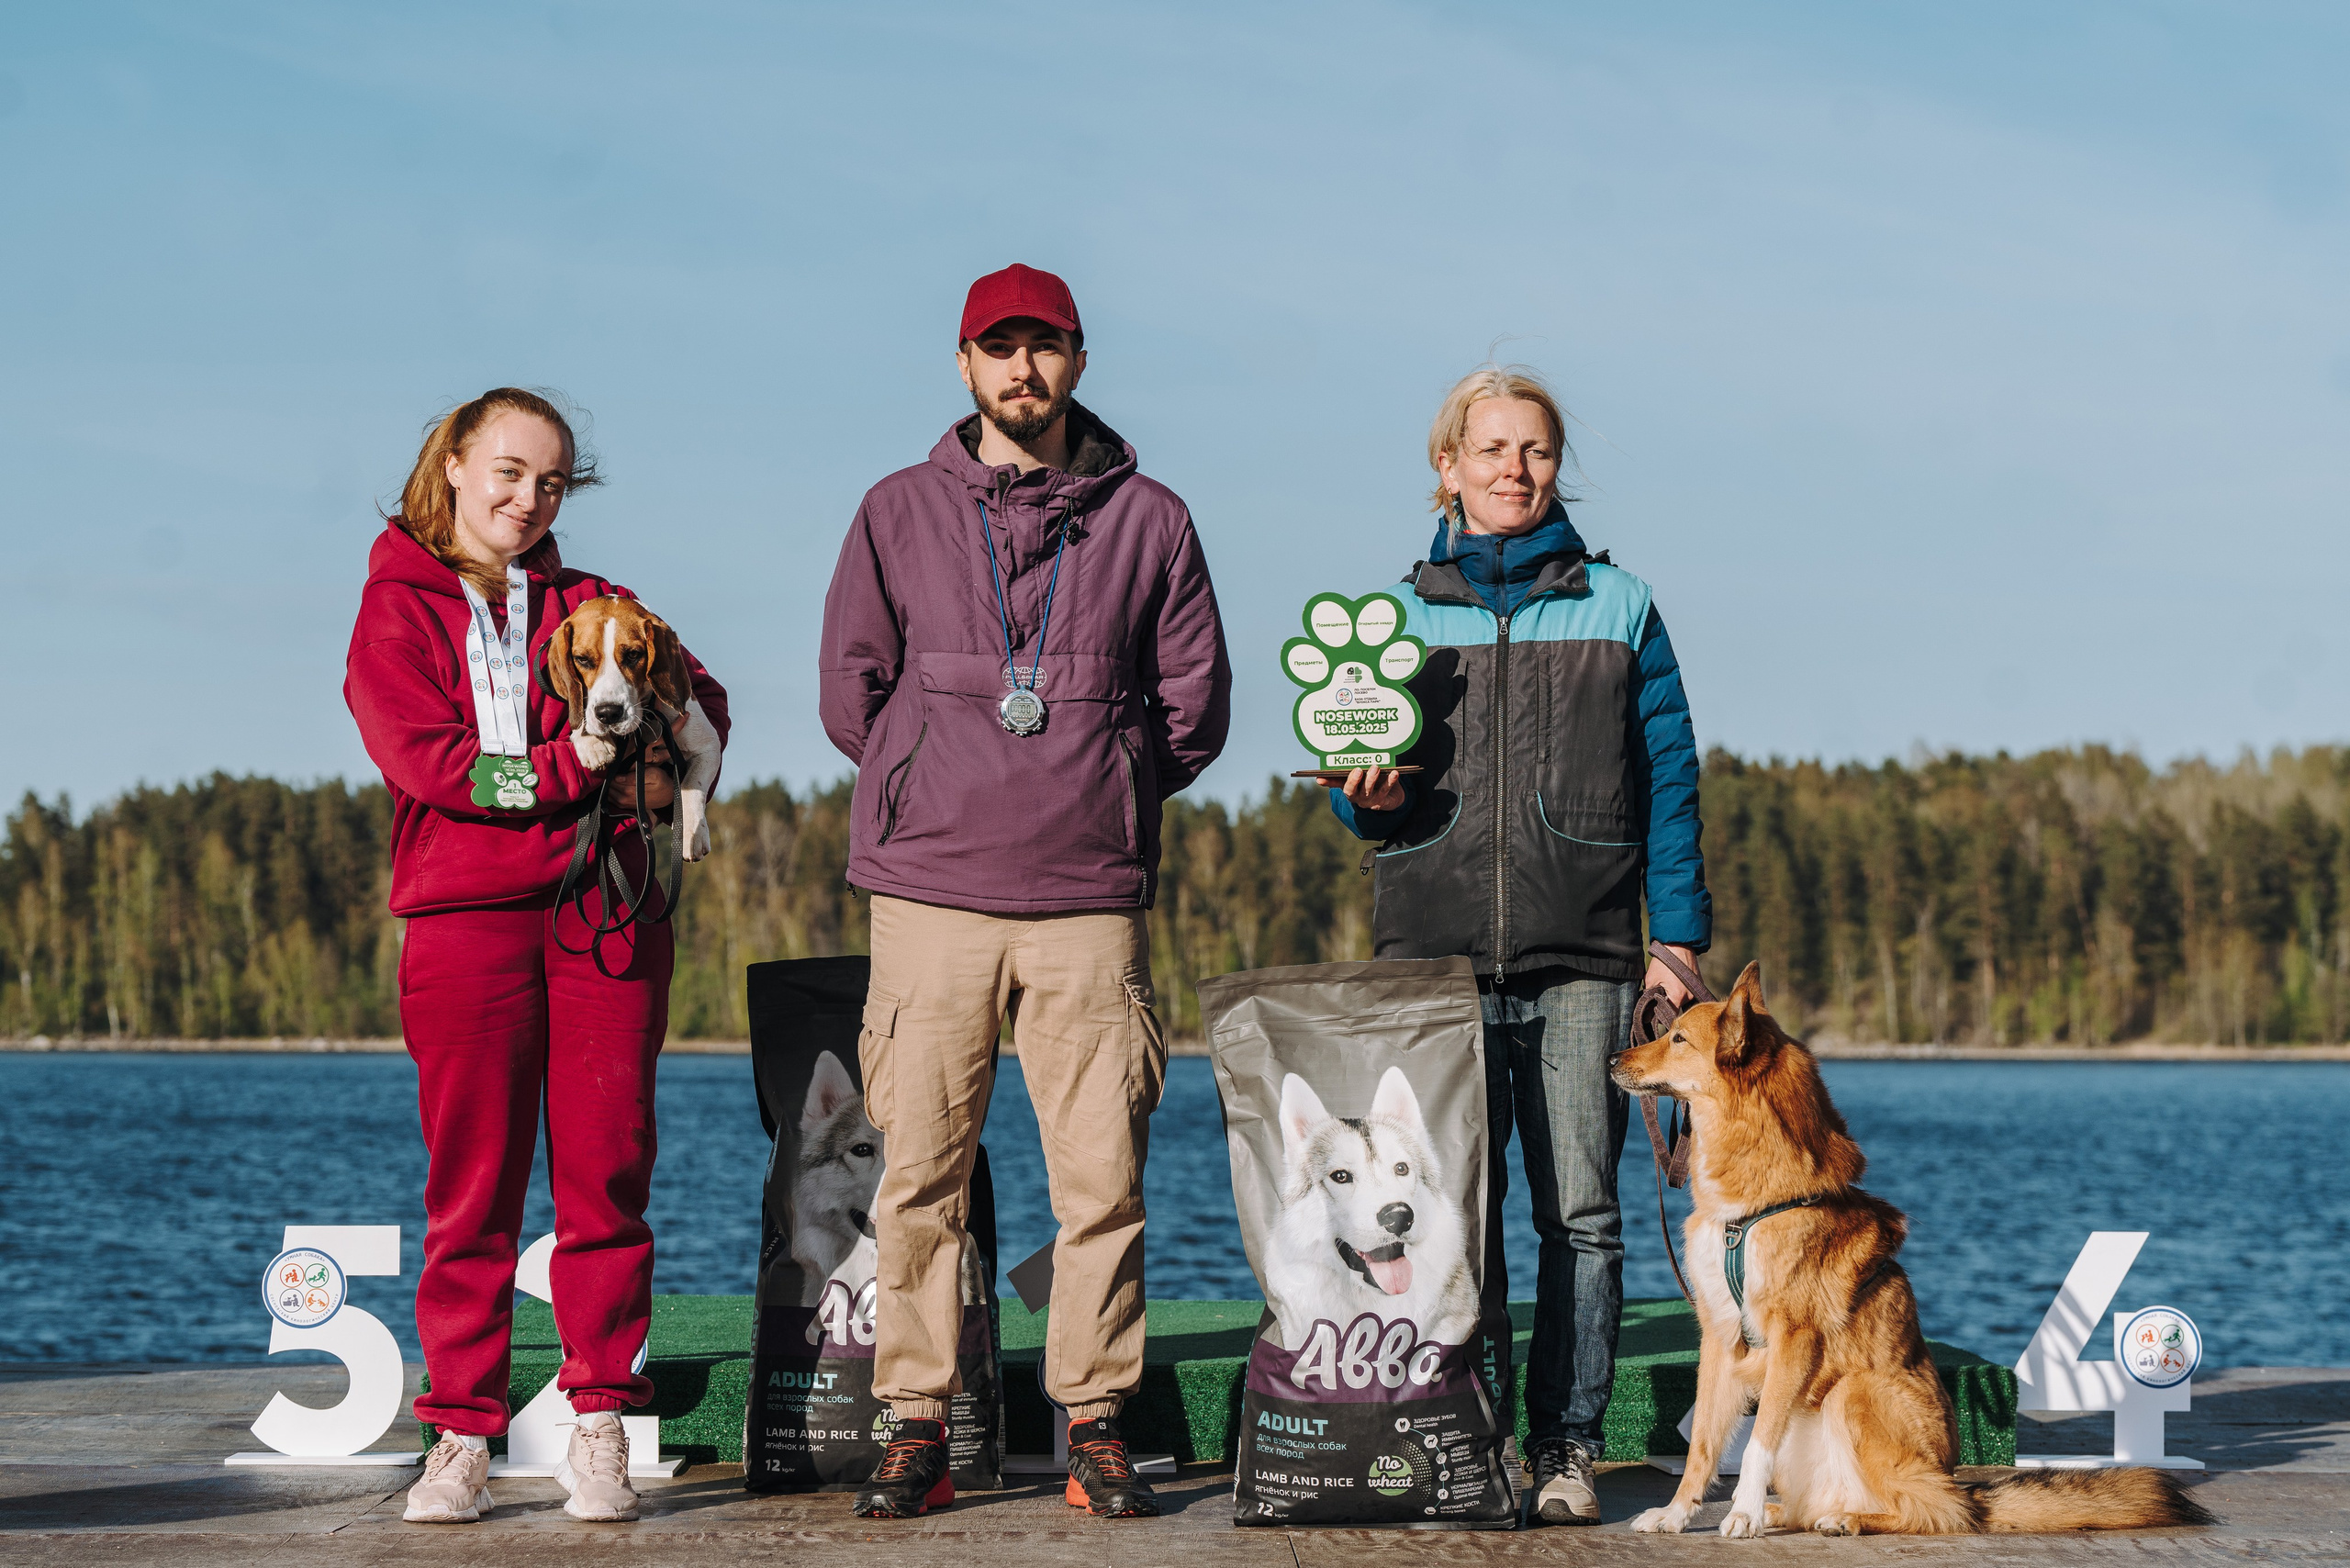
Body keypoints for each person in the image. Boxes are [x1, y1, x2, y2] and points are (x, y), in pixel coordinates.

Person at [819, 263, 1230, 1519]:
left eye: (1044, 347)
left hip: (1088, 899)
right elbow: (853, 692)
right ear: (962, 366)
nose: (1022, 370)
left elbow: (1194, 709)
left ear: (1078, 360)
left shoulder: (1151, 518)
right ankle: (918, 1426)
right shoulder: (895, 510)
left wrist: (1094, 775)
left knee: (1100, 1181)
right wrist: (933, 770)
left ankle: (1095, 1423)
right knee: (918, 1178)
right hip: (930, 893)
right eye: (998, 349)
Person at [1330, 364, 1708, 1526]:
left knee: (1580, 1215)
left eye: (1533, 450)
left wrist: (1676, 945)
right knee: (1451, 1217)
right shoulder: (1387, 616)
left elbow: (1673, 786)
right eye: (1488, 449)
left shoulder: (1623, 606)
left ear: (1555, 468)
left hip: (1587, 956)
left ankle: (1565, 1448)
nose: (1512, 468)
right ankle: (1468, 1437)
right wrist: (1366, 796)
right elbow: (1357, 797)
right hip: (1432, 960)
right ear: (1446, 469)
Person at [344, 387, 729, 1526]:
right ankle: (461, 1430)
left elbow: (701, 698)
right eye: (509, 471)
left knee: (609, 1172)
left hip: (604, 908)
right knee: (474, 1188)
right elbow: (432, 763)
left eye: (552, 481)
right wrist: (575, 769)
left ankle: (599, 1417)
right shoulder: (395, 605)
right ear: (455, 465)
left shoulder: (597, 604)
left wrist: (662, 747)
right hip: (466, 921)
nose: (529, 497)